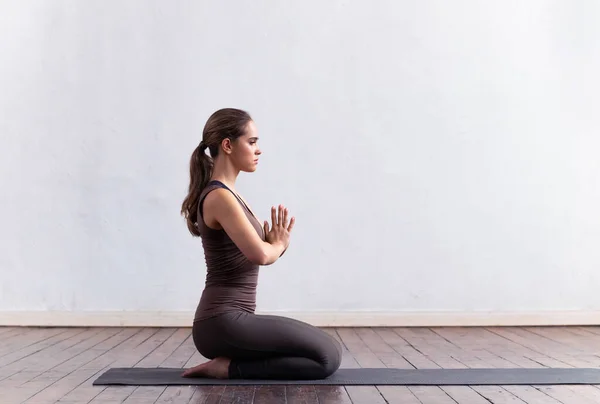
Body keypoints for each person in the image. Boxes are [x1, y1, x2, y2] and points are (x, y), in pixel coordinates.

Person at [179, 108, 342, 380]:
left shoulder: (230, 194)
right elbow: (261, 256)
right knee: (326, 358)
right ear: (228, 145)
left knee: (328, 354)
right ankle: (228, 369)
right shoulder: (220, 196)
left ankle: (231, 365)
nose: (258, 150)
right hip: (221, 322)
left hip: (230, 321)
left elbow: (261, 250)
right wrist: (275, 246)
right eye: (252, 142)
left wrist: (276, 243)